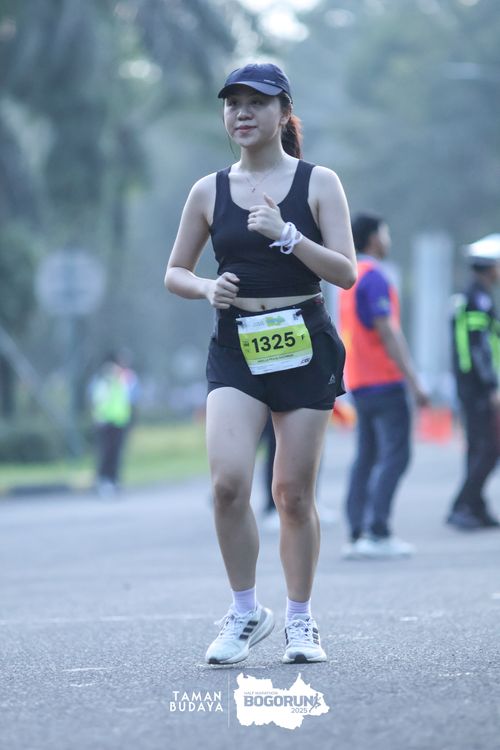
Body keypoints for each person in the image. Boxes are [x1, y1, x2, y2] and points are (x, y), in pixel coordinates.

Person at [165, 62, 356, 665]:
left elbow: (346, 273)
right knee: (227, 486)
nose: (242, 113)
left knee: (292, 494)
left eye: (257, 102)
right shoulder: (208, 190)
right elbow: (175, 272)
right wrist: (205, 287)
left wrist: (288, 234)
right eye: (233, 103)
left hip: (303, 342)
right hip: (236, 346)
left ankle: (301, 620)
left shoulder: (319, 182)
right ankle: (245, 611)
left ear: (283, 112)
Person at [338, 213, 428, 560]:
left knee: (367, 456)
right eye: (385, 234)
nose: (388, 240)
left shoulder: (350, 278)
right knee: (396, 455)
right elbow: (387, 331)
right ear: (375, 238)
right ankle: (377, 531)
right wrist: (414, 381)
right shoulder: (375, 277)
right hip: (384, 379)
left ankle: (358, 531)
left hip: (359, 380)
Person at [446, 235, 500, 530]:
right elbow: (478, 348)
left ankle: (476, 507)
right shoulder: (478, 299)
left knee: (479, 447)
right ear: (491, 267)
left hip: (471, 386)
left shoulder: (474, 296)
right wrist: (491, 386)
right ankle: (462, 506)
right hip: (477, 388)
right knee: (488, 449)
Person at [89, 352, 139, 497]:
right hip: (105, 421)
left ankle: (114, 480)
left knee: (116, 453)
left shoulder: (124, 379)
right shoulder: (104, 379)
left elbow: (132, 395)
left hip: (120, 421)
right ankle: (103, 481)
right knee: (106, 453)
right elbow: (97, 399)